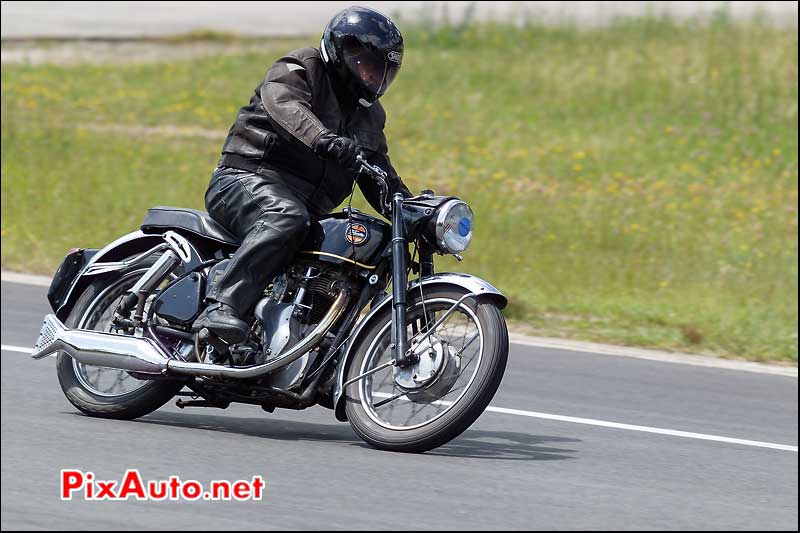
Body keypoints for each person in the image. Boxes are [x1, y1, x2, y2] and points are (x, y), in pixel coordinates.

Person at [191, 6, 412, 349]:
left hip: (308, 210)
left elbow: (377, 169)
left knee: (353, 246)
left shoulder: (368, 115)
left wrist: (412, 209)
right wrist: (323, 138)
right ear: (343, 53)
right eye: (367, 65)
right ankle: (222, 305)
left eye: (382, 69)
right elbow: (284, 104)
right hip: (247, 178)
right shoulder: (302, 67)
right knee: (286, 217)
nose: (373, 77)